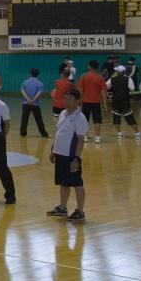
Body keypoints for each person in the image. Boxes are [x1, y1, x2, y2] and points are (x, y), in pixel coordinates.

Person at [47, 87, 88, 222]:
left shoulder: (80, 118)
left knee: (77, 183)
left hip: (71, 157)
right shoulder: (63, 113)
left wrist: (76, 158)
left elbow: (81, 141)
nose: (65, 102)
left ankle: (80, 211)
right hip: (60, 154)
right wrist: (53, 150)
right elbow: (60, 134)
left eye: (69, 99)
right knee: (63, 183)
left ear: (77, 101)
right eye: (64, 99)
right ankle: (62, 208)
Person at [107, 65, 141, 140]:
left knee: (116, 118)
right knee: (130, 118)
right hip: (125, 101)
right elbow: (132, 89)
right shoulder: (128, 79)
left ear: (117, 72)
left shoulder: (112, 79)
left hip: (115, 101)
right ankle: (138, 134)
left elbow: (106, 87)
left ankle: (119, 134)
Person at [75, 60, 105, 143]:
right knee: (97, 120)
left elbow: (80, 90)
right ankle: (97, 137)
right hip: (96, 102)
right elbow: (103, 92)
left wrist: (79, 101)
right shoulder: (100, 78)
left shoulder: (83, 76)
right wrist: (104, 103)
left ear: (89, 66)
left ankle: (85, 136)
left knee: (85, 119)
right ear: (97, 67)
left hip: (85, 101)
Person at [19, 68, 49, 138]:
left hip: (25, 103)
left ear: (30, 73)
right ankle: (43, 133)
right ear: (37, 74)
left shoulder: (25, 82)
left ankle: (23, 133)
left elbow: (22, 91)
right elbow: (39, 93)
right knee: (39, 119)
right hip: (35, 104)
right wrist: (32, 100)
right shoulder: (40, 83)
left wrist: (28, 99)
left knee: (24, 118)